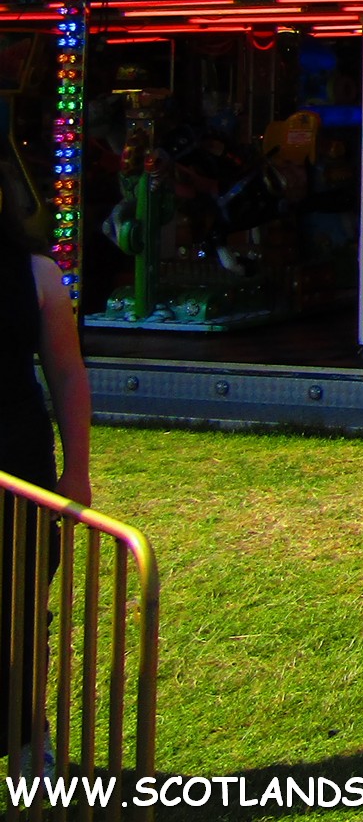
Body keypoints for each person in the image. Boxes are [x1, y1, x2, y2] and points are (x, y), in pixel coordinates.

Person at [2, 176, 91, 769]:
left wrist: (78, 471)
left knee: (23, 613)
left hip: (20, 466)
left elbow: (66, 373)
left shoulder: (36, 273)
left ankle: (32, 745)